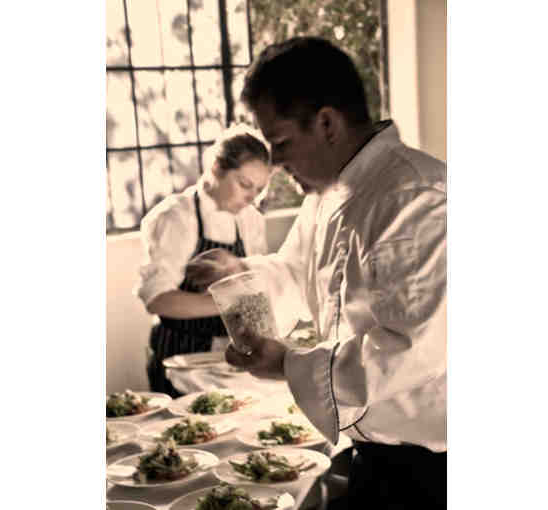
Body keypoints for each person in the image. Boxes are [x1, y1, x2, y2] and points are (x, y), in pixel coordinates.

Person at [186, 37, 447, 509]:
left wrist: (289, 364)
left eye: (281, 143)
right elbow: (293, 272)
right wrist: (239, 272)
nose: (276, 163)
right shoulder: (326, 195)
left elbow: (412, 349)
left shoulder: (416, 196)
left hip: (434, 472)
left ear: (327, 123)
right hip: (371, 456)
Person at [135, 124, 273, 397]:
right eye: (245, 184)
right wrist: (232, 303)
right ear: (217, 168)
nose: (251, 197)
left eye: (259, 190)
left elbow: (257, 285)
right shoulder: (176, 216)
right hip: (180, 356)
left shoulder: (252, 219)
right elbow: (158, 300)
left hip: (230, 360)